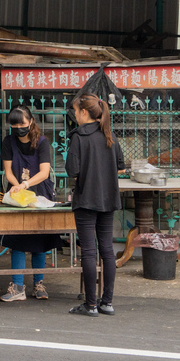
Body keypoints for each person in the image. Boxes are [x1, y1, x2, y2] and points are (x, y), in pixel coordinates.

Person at [66, 94, 125, 318]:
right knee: (107, 250)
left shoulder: (79, 137)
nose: (74, 115)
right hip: (108, 198)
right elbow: (121, 167)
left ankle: (91, 304)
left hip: (86, 200)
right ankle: (107, 302)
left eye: (75, 111)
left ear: (84, 113)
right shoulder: (109, 134)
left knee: (89, 251)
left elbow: (72, 171)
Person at [0, 106, 64, 302]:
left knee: (39, 240)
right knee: (17, 239)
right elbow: (8, 170)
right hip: (18, 194)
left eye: (22, 123)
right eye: (15, 124)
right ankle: (17, 286)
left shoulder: (42, 142)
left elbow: (44, 172)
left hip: (40, 193)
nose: (18, 127)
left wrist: (26, 184)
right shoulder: (8, 141)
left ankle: (39, 284)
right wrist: (17, 186)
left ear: (31, 122)